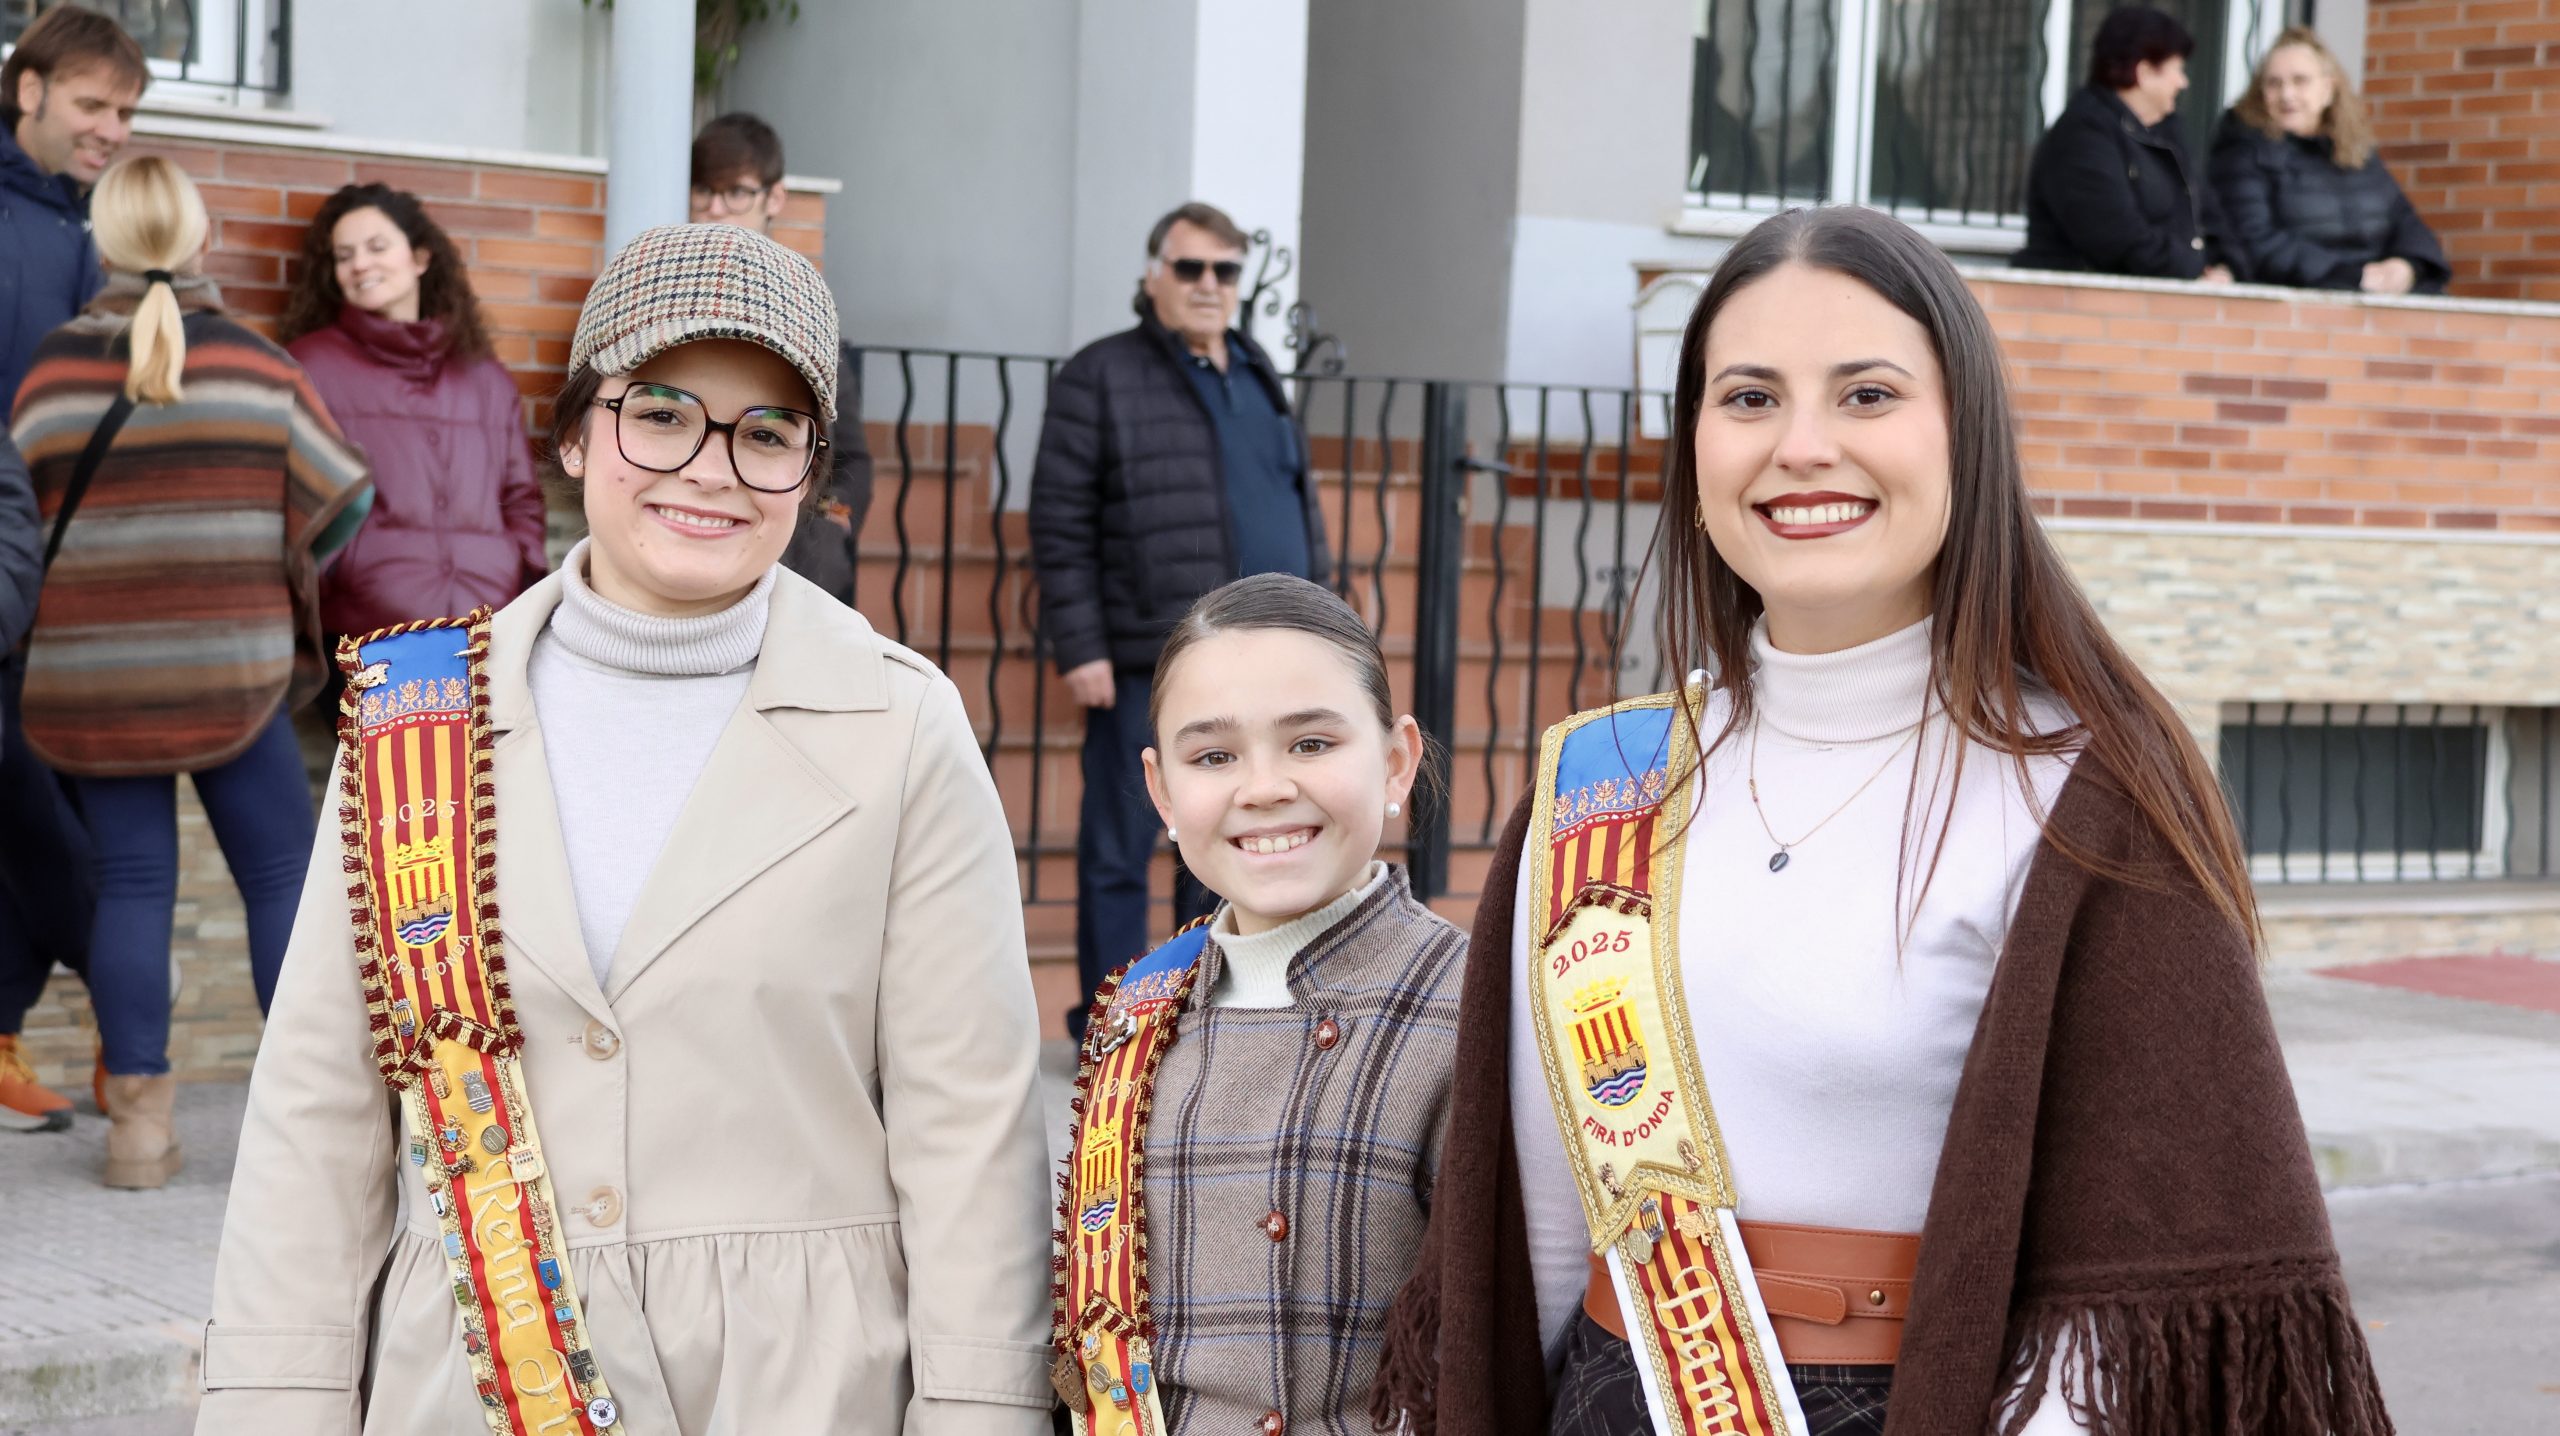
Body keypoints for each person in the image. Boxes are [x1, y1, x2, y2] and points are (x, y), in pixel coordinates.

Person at [1371, 207, 2390, 1436]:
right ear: (1693, 440)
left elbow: (2117, 1328)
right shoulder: (1603, 782)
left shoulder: (2082, 795)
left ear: (1965, 430)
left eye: (1865, 394)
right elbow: (1535, 1229)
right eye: (1747, 398)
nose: (1801, 446)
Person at [195, 222, 1055, 1434]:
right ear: (575, 430)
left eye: (766, 434)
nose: (711, 468)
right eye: (660, 412)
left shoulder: (902, 724)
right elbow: (318, 1116)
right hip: (473, 1381)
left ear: (809, 471)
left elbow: (971, 1129)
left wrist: (979, 1410)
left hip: (803, 1389)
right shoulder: (412, 721)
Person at [10, 155, 372, 1186]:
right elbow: (340, 502)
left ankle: (137, 1132)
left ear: (105, 243)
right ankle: (315, 1134)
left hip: (91, 683)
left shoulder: (51, 372)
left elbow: (19, 515)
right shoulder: (259, 367)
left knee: (129, 885)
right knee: (281, 882)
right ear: (201, 239)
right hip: (234, 673)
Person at [1053, 573, 1461, 1432]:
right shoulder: (1138, 1008)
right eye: (1214, 757)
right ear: (1163, 792)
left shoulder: (1469, 1006)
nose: (1265, 787)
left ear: (1396, 761)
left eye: (1311, 744)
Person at [1030, 200, 1332, 1038]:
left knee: (1232, 837)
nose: (1208, 286)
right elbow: (1060, 517)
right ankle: (1117, 1025)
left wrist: (1324, 626)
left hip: (1262, 660)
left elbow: (1299, 505)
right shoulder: (1102, 374)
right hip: (1143, 656)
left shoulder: (1257, 370)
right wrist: (1081, 644)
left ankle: (1211, 1013)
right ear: (1153, 276)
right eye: (1190, 268)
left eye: (1224, 272)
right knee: (1124, 845)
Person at [0, 3, 146, 1134]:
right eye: (93, 105)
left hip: (65, 579)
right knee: (43, 824)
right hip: (12, 573)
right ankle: (130, 1026)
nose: (111, 128)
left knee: (39, 818)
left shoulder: (83, 228)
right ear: (29, 89)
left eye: (127, 112)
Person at [278, 183, 550, 638]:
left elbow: (521, 497)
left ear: (421, 259)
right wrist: (339, 576)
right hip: (364, 635)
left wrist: (515, 566)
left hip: (482, 633)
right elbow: (290, 497)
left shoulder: (485, 377)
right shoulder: (311, 367)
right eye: (344, 255)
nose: (360, 263)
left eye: (377, 247)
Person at [690, 111, 875, 605]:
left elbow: (849, 453)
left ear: (774, 197)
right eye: (703, 191)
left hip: (794, 559)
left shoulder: (804, 304)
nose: (714, 208)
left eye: (736, 193)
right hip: (696, 533)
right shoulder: (671, 297)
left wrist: (832, 527)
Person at [2210, 26, 2450, 296]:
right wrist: (2353, 276)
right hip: (2302, 307)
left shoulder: (2355, 151)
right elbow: (2256, 242)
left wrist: (2407, 266)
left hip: (2374, 301)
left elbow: (2405, 220)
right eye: (2274, 83)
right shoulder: (2242, 152)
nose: (2287, 94)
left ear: (2327, 88)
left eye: (2300, 81)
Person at [2013, 7, 2234, 282]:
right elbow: (2116, 237)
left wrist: (2223, 265)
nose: (2183, 82)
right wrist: (2195, 269)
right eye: (2177, 69)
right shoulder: (2082, 136)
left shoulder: (2166, 134)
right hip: (2087, 308)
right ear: (2143, 72)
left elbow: (2207, 215)